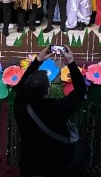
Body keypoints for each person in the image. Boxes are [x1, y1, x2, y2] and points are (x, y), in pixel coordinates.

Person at [14, 45, 87, 177]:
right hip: (56, 168)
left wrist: (38, 60)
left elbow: (20, 89)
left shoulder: (21, 107)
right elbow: (80, 90)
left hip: (30, 168)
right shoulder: (57, 108)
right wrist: (70, 62)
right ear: (48, 90)